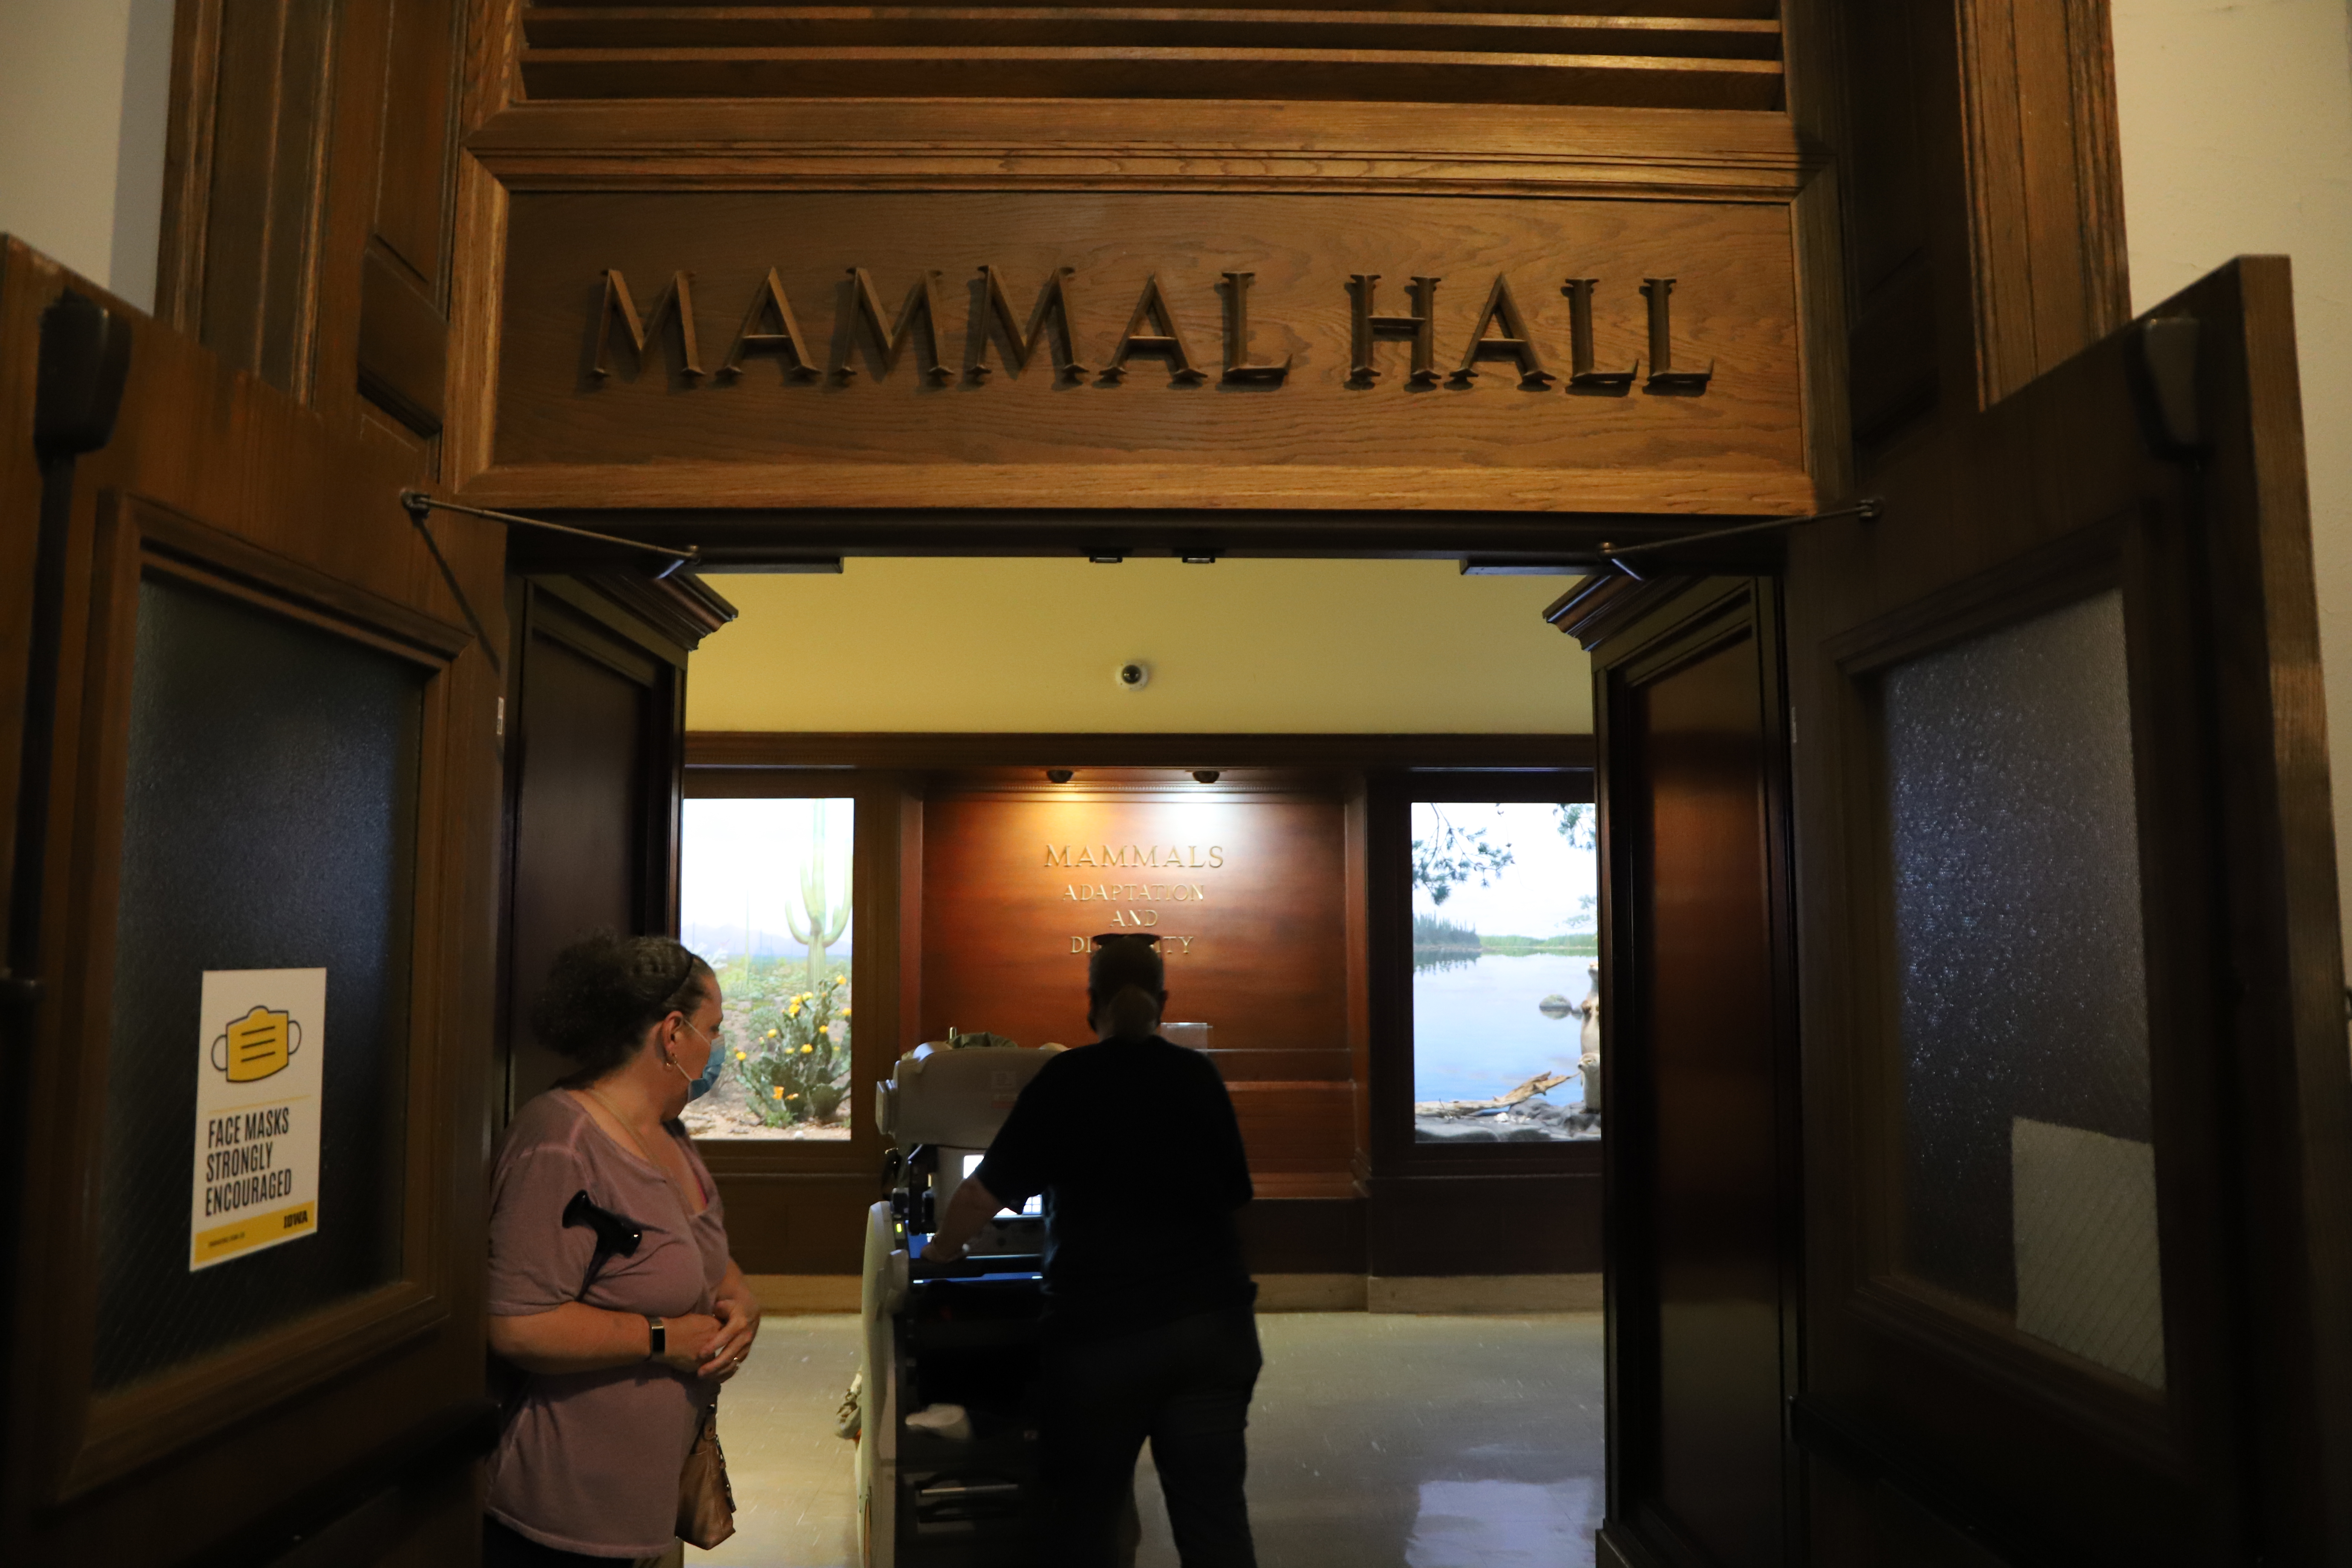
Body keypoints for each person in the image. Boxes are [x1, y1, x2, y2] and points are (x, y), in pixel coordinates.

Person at [930, 933, 1261, 1568]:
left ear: (1092, 1004)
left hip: (1101, 1344)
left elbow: (979, 1195)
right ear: (1162, 1002)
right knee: (1216, 1527)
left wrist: (942, 1252)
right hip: (1210, 1334)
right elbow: (1237, 1198)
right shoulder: (1198, 1077)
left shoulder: (1068, 1080)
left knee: (1084, 1530)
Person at [483, 933, 762, 1566]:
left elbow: (692, 1252)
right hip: (562, 1523)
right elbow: (517, 1323)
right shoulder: (559, 1142)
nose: (718, 1049)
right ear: (672, 1033)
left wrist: (740, 1299)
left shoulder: (669, 1133)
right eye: (712, 1031)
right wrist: (663, 1338)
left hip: (646, 1513)